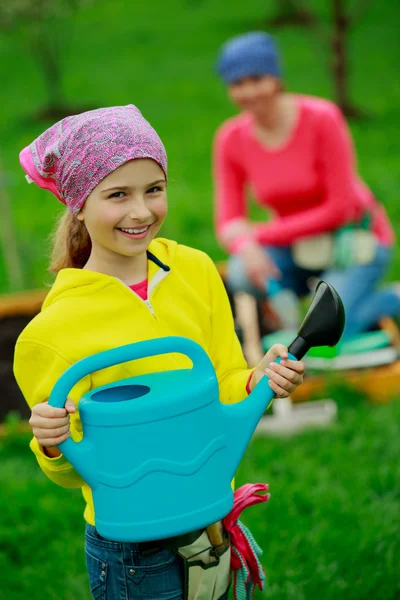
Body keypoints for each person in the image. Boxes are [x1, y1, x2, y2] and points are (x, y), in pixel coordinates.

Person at [13, 105, 305, 600]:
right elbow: (72, 468)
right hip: (134, 549)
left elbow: (224, 378)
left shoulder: (193, 270)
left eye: (154, 189)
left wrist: (257, 382)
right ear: (79, 205)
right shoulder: (52, 331)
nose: (142, 211)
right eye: (118, 195)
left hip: (210, 518)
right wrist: (51, 442)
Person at [213, 31, 400, 339]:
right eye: (237, 84)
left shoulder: (322, 118)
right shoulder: (231, 138)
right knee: (241, 271)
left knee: (329, 333)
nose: (248, 91)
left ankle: (390, 299)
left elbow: (341, 209)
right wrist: (246, 246)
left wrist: (258, 233)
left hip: (354, 239)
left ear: (275, 77)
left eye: (256, 78)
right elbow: (228, 221)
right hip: (295, 245)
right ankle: (287, 315)